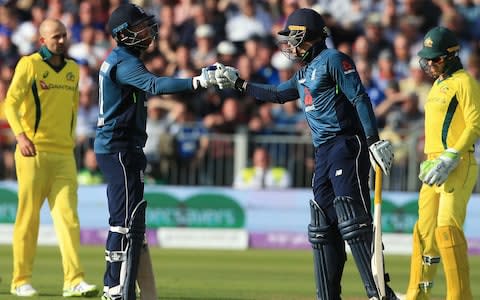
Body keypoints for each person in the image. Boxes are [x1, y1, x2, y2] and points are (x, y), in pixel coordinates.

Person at [214, 8, 399, 300]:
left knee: (354, 219)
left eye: (294, 38)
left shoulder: (335, 60)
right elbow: (277, 95)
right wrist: (239, 84)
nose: (289, 44)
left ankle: (378, 292)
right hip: (323, 151)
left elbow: (359, 97)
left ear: (310, 37)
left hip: (347, 144)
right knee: (323, 224)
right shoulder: (303, 73)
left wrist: (374, 140)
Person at [94, 4, 216, 300]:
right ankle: (113, 288)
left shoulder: (126, 58)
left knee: (133, 222)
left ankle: (134, 288)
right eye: (140, 28)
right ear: (124, 35)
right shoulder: (123, 62)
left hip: (125, 148)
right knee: (123, 222)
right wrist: (199, 80)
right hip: (118, 149)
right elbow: (154, 84)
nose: (148, 32)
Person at [3, 19, 99, 297]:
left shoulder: (73, 69)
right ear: (42, 41)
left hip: (63, 156)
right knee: (28, 218)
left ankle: (73, 280)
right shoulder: (29, 64)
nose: (61, 40)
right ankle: (20, 281)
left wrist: (70, 143)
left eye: (64, 35)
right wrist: (20, 136)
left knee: (68, 219)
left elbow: (71, 112)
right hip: (33, 152)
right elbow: (10, 102)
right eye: (55, 36)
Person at [405, 26, 480, 300]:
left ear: (450, 56)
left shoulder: (465, 81)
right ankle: (418, 292)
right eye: (427, 57)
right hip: (432, 165)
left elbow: (475, 123)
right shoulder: (437, 85)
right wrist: (433, 157)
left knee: (446, 228)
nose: (429, 63)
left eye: (435, 58)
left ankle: (459, 296)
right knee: (424, 231)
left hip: (458, 163)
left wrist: (452, 154)